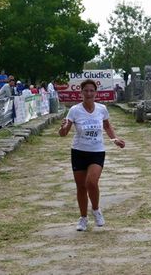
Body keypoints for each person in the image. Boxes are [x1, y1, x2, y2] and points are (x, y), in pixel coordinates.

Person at [58, 79, 125, 231]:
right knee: (81, 187)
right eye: (85, 91)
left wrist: (114, 138)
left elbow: (107, 125)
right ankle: (83, 218)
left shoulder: (102, 109)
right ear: (81, 93)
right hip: (79, 152)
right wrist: (62, 128)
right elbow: (63, 133)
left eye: (91, 91)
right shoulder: (74, 110)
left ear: (95, 93)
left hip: (97, 151)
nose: (88, 93)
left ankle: (95, 209)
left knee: (91, 182)